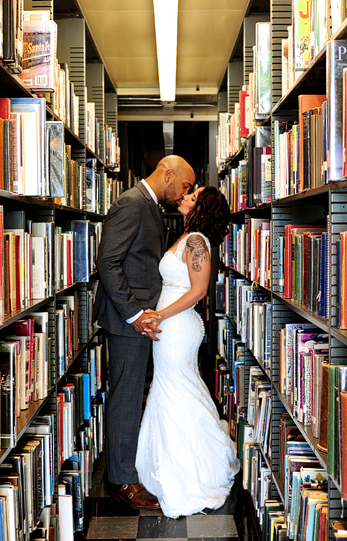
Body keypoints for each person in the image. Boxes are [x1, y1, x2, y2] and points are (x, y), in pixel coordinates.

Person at [93, 155, 196, 510]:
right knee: (125, 395)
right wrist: (135, 314)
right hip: (126, 320)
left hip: (139, 318)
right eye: (184, 186)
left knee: (132, 392)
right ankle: (121, 480)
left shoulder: (148, 205)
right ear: (168, 174)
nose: (185, 193)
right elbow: (107, 261)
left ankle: (125, 470)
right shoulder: (131, 203)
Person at [134, 185, 240, 518]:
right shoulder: (188, 236)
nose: (184, 197)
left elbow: (198, 291)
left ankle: (191, 468)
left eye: (192, 196)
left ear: (202, 208)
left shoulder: (196, 242)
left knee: (176, 389)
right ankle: (179, 460)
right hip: (171, 326)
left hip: (177, 327)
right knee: (176, 389)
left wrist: (160, 315)